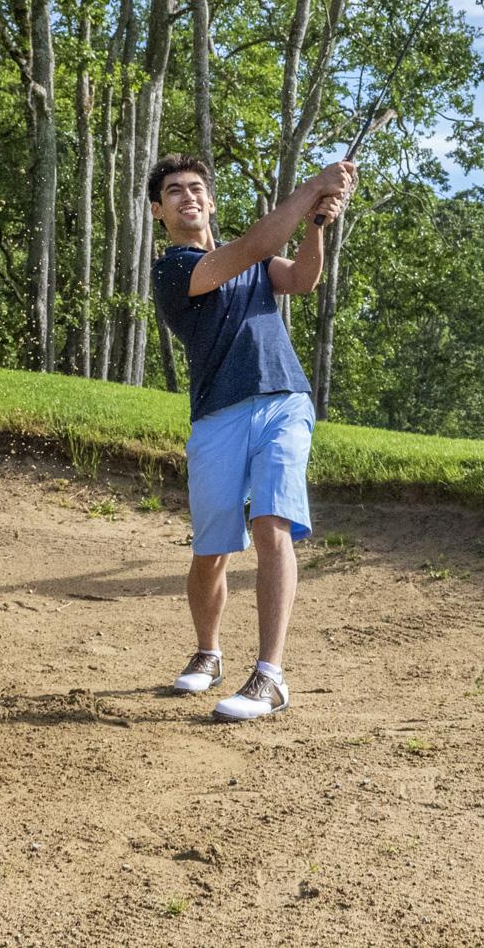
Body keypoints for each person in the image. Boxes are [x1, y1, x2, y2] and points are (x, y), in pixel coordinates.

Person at [148, 151, 356, 721]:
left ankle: (270, 676)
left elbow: (301, 279)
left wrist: (315, 227)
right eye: (174, 192)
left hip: (285, 399)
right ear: (158, 212)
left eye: (196, 188)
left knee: (271, 524)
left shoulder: (256, 263)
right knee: (211, 553)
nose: (188, 197)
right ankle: (208, 653)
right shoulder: (173, 269)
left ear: (210, 200)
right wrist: (313, 185)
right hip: (217, 414)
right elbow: (256, 246)